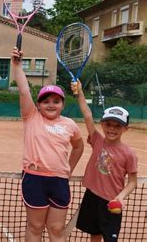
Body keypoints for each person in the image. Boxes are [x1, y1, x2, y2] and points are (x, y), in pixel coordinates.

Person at [11, 48, 84, 242]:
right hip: (35, 178)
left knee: (56, 228)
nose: (51, 105)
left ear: (63, 104)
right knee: (35, 226)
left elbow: (78, 146)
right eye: (46, 102)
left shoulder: (70, 125)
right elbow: (24, 90)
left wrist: (69, 170)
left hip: (59, 181)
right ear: (38, 104)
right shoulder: (31, 116)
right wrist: (17, 66)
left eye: (56, 101)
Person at [73, 81, 137, 242]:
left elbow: (132, 182)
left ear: (125, 129)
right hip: (92, 196)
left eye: (117, 126)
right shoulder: (97, 140)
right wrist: (80, 92)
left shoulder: (129, 154)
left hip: (111, 202)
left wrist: (120, 197)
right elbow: (87, 115)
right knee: (94, 234)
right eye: (108, 124)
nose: (112, 129)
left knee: (110, 238)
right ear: (102, 124)